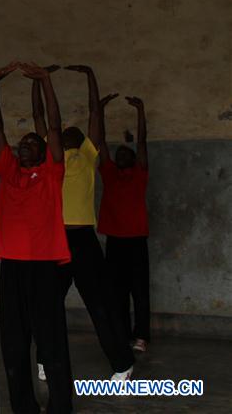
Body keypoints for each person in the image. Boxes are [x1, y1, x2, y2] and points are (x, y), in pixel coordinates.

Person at [33, 65, 134, 382]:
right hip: (56, 241)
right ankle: (46, 359)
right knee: (47, 303)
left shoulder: (89, 155)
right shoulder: (53, 160)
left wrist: (91, 74)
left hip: (84, 242)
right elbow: (40, 120)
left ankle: (122, 363)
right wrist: (38, 82)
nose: (68, 132)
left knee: (100, 305)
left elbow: (94, 114)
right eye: (62, 133)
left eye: (73, 132)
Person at [0, 62, 73, 413]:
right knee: (13, 342)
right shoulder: (9, 172)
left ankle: (60, 405)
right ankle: (23, 404)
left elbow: (53, 126)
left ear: (43, 152)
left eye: (31, 143)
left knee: (50, 340)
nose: (23, 146)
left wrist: (45, 81)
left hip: (43, 269)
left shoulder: (52, 174)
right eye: (21, 143)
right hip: (12, 268)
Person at [96, 94, 151, 353]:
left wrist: (140, 111)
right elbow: (101, 143)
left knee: (139, 292)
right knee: (116, 293)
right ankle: (122, 333)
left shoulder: (139, 175)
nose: (118, 157)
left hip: (137, 242)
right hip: (115, 242)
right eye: (117, 155)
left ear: (132, 159)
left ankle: (141, 336)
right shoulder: (109, 174)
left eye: (123, 154)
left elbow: (141, 142)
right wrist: (99, 111)